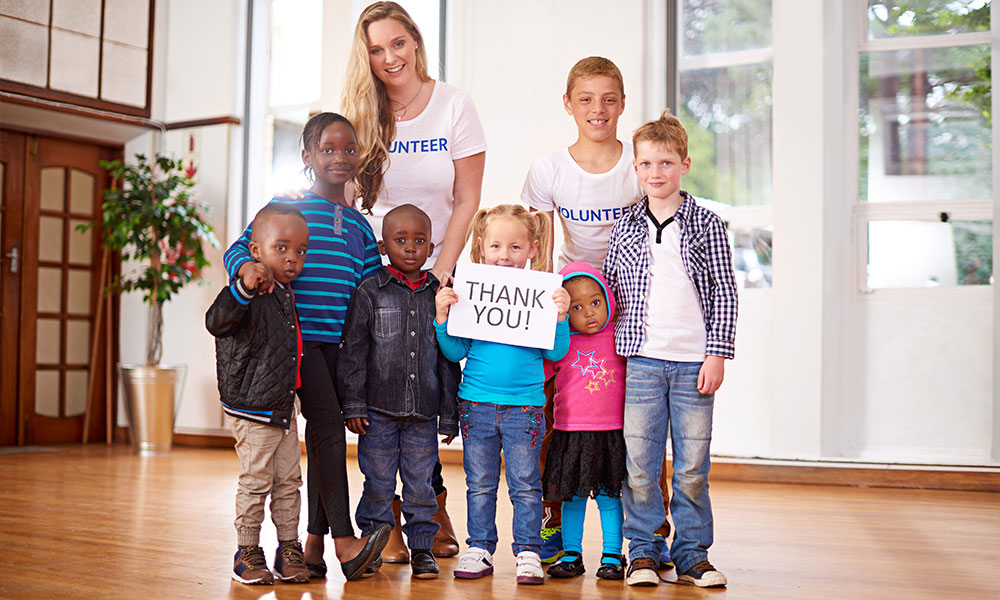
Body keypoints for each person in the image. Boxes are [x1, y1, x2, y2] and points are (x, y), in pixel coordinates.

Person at [342, 1, 486, 560]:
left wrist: (443, 268)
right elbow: (351, 200)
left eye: (396, 44)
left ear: (416, 42)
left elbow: (467, 197)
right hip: (376, 279)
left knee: (427, 386)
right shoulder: (361, 112)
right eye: (375, 50)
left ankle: (431, 509)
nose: (388, 58)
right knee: (382, 395)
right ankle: (389, 523)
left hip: (437, 272)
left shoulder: (455, 106)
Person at [222, 113, 390, 581]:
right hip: (294, 343)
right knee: (330, 435)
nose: (340, 157)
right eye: (328, 149)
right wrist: (246, 272)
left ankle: (312, 548)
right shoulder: (285, 206)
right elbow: (240, 249)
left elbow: (369, 290)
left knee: (323, 441)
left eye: (349, 149)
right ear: (307, 157)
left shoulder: (358, 226)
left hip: (337, 346)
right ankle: (345, 543)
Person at [521, 56, 673, 569]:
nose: (598, 109)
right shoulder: (548, 169)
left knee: (641, 422)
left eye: (609, 98)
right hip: (571, 302)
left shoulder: (638, 165)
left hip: (631, 307)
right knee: (555, 420)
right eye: (586, 98)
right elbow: (538, 249)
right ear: (568, 104)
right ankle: (551, 524)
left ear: (623, 104)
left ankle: (649, 530)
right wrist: (547, 313)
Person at [604, 110, 738, 588]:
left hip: (693, 363)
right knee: (639, 463)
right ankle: (642, 551)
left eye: (665, 162)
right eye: (645, 164)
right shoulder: (625, 226)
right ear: (635, 169)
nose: (655, 173)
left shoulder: (707, 224)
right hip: (640, 360)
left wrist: (717, 353)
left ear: (683, 163)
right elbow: (612, 290)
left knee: (692, 465)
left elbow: (724, 290)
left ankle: (692, 555)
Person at [433, 205, 571, 585]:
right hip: (476, 404)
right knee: (480, 482)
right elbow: (455, 352)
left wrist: (560, 319)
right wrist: (442, 320)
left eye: (514, 247)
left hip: (524, 407)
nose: (504, 256)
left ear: (532, 249)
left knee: (526, 483)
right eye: (495, 246)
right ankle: (479, 547)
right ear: (481, 248)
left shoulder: (541, 294)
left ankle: (527, 551)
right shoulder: (471, 293)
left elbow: (556, 354)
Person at [339, 204, 461, 580]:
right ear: (383, 245)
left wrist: (449, 412)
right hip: (377, 411)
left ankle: (422, 548)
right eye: (401, 240)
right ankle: (372, 546)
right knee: (377, 483)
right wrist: (354, 404)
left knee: (421, 484)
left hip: (423, 414)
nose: (410, 247)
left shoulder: (438, 296)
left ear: (431, 246)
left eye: (420, 241)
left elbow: (447, 358)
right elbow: (354, 351)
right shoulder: (368, 292)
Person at [206, 203, 312, 586]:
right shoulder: (248, 290)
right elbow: (216, 322)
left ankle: (288, 548)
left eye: (300, 250)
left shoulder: (286, 294)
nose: (292, 257)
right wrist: (243, 287)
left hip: (283, 407)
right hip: (251, 409)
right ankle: (247, 550)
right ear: (255, 251)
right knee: (256, 481)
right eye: (281, 247)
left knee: (289, 481)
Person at [540, 261, 627, 581]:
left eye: (595, 301)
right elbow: (538, 375)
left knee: (609, 496)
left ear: (608, 299)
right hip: (569, 433)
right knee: (572, 496)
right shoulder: (562, 343)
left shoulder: (620, 338)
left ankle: (613, 554)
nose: (589, 312)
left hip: (611, 433)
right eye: (577, 306)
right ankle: (571, 553)